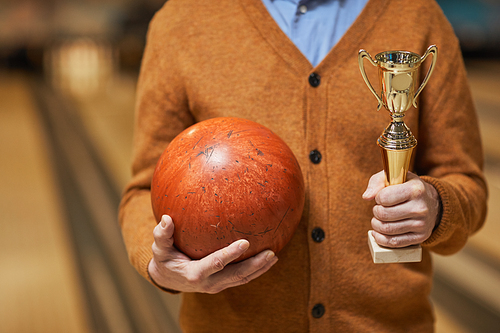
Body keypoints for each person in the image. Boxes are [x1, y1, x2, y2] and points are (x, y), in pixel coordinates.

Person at [118, 0, 488, 331]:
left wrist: (436, 206)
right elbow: (143, 190)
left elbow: (467, 182)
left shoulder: (417, 15)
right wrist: (159, 264)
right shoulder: (181, 20)